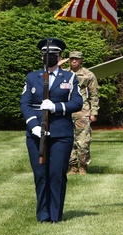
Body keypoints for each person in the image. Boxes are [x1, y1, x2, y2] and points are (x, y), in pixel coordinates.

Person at [20, 38, 82, 222]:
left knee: (57, 175)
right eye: (47, 55)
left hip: (61, 132)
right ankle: (43, 214)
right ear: (42, 58)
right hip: (36, 133)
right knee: (40, 175)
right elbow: (25, 103)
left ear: (60, 56)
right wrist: (34, 126)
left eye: (53, 55)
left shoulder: (69, 78)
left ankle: (55, 215)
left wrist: (57, 107)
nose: (50, 58)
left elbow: (77, 103)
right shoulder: (32, 78)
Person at [65, 50, 100, 175]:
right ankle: (73, 166)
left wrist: (94, 112)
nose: (74, 61)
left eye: (77, 59)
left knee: (83, 141)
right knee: (68, 140)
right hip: (66, 112)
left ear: (81, 60)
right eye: (72, 59)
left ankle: (83, 166)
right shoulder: (64, 74)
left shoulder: (88, 75)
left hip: (83, 111)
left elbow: (94, 95)